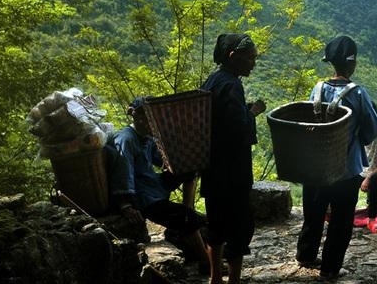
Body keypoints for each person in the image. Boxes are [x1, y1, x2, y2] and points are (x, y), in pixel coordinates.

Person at [295, 35, 377, 281]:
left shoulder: (317, 88)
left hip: (316, 167)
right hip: (345, 169)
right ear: (352, 64)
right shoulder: (359, 93)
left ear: (331, 63)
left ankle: (306, 254)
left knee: (313, 212)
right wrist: (357, 140)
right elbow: (371, 130)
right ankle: (330, 268)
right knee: (341, 221)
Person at [109, 97, 209, 272]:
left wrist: (175, 160)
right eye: (149, 118)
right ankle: (206, 262)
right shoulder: (126, 139)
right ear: (137, 117)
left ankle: (188, 206)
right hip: (143, 197)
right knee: (186, 219)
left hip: (154, 185)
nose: (153, 122)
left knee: (191, 168)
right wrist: (125, 204)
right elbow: (122, 173)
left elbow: (161, 158)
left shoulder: (146, 137)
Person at [200, 33, 265, 284]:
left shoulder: (212, 80)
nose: (253, 63)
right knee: (239, 226)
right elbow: (238, 129)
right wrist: (253, 112)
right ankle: (233, 280)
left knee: (215, 223)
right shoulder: (232, 85)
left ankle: (215, 277)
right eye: (249, 58)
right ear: (232, 56)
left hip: (212, 166)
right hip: (233, 170)